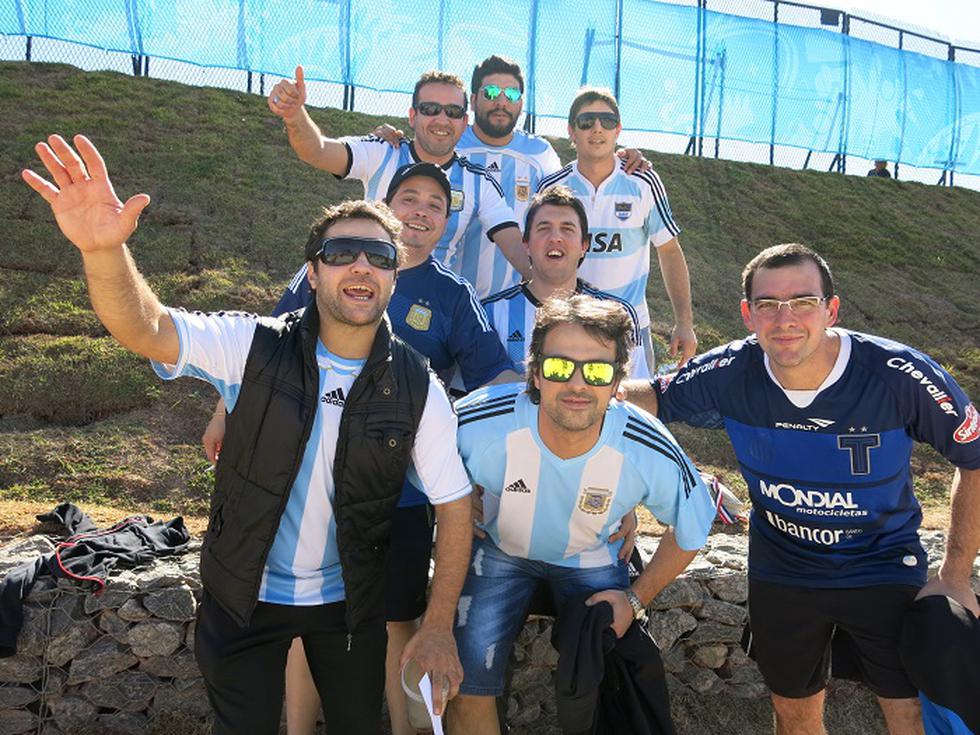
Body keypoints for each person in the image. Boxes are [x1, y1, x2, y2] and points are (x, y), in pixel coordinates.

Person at [21, 134, 474, 735]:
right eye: (342, 253)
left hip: (350, 604)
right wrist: (103, 251)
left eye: (379, 256)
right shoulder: (253, 346)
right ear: (313, 274)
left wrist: (439, 623)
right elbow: (149, 328)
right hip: (243, 598)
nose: (362, 266)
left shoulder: (419, 387)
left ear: (394, 277)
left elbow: (455, 505)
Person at [207, 162, 516, 735]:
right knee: (303, 623)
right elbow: (263, 355)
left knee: (389, 621)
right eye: (409, 197)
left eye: (435, 203)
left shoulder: (452, 294)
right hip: (310, 486)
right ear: (387, 206)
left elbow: (495, 375)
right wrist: (225, 408)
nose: (421, 209)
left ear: (445, 224)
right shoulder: (326, 269)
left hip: (394, 500)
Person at [621, 243, 980, 735]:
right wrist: (579, 384)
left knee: (907, 711)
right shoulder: (731, 369)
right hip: (784, 571)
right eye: (767, 304)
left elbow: (974, 457)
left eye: (803, 302)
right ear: (748, 315)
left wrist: (956, 573)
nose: (784, 318)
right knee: (792, 713)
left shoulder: (900, 374)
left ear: (831, 310)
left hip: (881, 565)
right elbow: (654, 398)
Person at [446, 294, 716, 735]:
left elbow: (692, 527)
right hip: (499, 549)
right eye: (557, 367)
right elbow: (417, 471)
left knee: (610, 676)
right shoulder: (479, 421)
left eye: (596, 370)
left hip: (591, 555)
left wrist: (634, 599)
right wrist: (453, 497)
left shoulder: (646, 444)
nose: (576, 384)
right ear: (534, 371)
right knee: (468, 682)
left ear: (617, 383)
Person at [370, 54, 652, 298]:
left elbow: (570, 191)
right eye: (491, 93)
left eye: (512, 95)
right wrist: (384, 137)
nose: (501, 102)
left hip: (513, 300)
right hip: (443, 296)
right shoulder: (449, 141)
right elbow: (413, 151)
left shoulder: (539, 152)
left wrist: (616, 157)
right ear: (475, 98)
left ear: (521, 102)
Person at [269, 66, 529, 295]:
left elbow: (514, 246)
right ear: (413, 116)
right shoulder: (384, 151)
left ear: (464, 122)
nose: (441, 119)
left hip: (429, 301)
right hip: (362, 283)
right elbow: (318, 151)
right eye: (430, 109)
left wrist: (546, 283)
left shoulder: (478, 180)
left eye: (452, 111)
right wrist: (294, 115)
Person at [537, 87, 698, 371]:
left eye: (606, 121)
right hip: (567, 326)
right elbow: (535, 259)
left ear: (618, 130)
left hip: (629, 329)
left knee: (633, 412)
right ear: (571, 131)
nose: (597, 128)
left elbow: (670, 251)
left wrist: (684, 323)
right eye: (586, 121)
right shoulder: (553, 187)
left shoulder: (643, 180)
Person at [482, 185, 650, 378]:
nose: (555, 238)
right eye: (544, 228)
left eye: (567, 229)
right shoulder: (489, 314)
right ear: (526, 244)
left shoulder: (619, 315)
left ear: (584, 246)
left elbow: (634, 392)